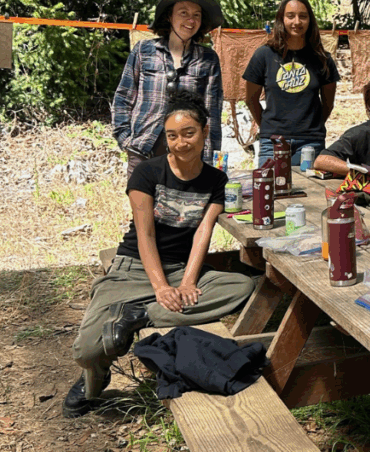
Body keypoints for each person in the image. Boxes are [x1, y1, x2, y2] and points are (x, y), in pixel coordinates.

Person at [65, 91, 255, 418]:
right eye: (172, 135)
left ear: (205, 132)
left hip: (180, 268)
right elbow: (145, 234)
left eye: (188, 133)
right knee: (87, 351)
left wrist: (188, 282)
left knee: (241, 286)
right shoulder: (148, 173)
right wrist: (161, 289)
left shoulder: (216, 179)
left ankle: (138, 316)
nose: (180, 142)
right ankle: (93, 378)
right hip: (134, 267)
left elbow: (202, 233)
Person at [113, 0, 224, 178]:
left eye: (196, 15)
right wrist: (125, 140)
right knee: (142, 207)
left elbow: (212, 111)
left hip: (188, 154)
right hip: (143, 150)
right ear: (169, 17)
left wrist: (210, 157)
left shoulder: (208, 58)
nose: (191, 20)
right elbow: (123, 97)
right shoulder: (144, 50)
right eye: (184, 13)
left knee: (185, 207)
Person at [244, 0, 340, 165]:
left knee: (310, 191)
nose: (297, 22)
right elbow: (251, 100)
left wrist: (309, 128)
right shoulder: (264, 55)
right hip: (272, 142)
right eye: (290, 16)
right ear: (281, 19)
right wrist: (269, 127)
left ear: (310, 20)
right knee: (270, 189)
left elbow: (328, 104)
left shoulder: (322, 59)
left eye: (303, 16)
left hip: (310, 143)